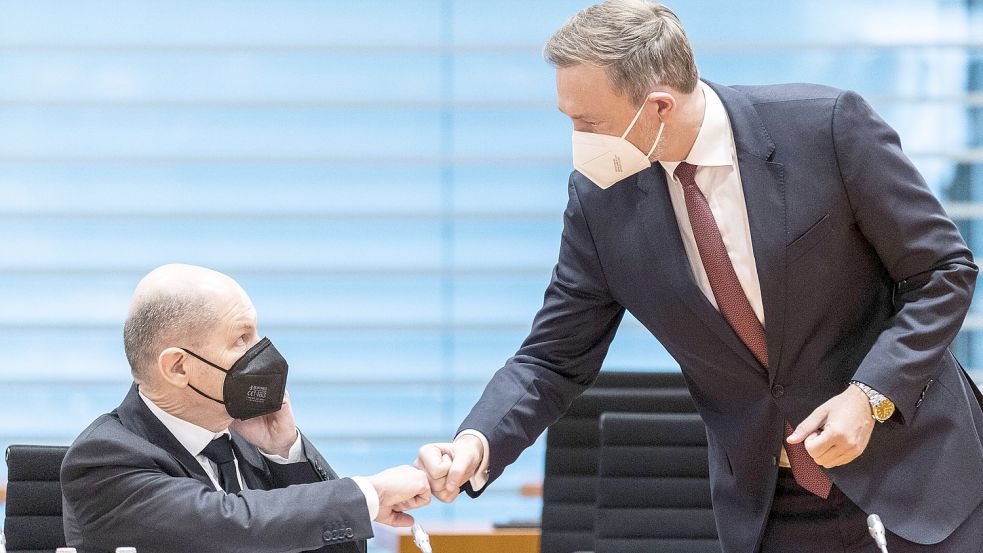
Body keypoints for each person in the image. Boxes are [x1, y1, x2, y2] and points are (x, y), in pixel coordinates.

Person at [414, 1, 983, 552]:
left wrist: (870, 395)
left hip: (922, 479)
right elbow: (551, 358)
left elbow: (942, 271)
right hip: (773, 507)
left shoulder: (827, 127)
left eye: (588, 122)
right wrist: (476, 441)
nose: (578, 143)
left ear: (658, 106)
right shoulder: (599, 201)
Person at [61, 264, 431, 553]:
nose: (263, 353)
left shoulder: (243, 437)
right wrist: (370, 494)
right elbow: (229, 528)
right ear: (178, 367)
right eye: (242, 338)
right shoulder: (104, 458)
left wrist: (284, 452)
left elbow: (341, 549)